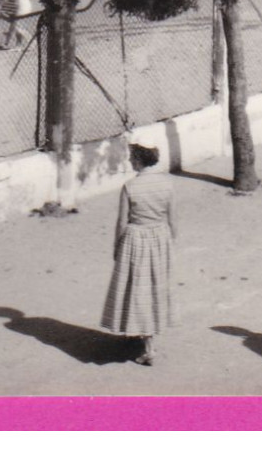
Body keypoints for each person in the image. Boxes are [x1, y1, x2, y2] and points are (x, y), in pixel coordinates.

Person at [101, 144, 175, 365]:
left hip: (136, 239)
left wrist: (117, 245)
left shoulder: (130, 186)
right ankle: (138, 333)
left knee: (136, 289)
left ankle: (148, 348)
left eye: (132, 158)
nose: (130, 161)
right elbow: (174, 221)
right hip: (160, 237)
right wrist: (167, 244)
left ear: (140, 160)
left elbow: (122, 221)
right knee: (153, 289)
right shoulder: (167, 184)